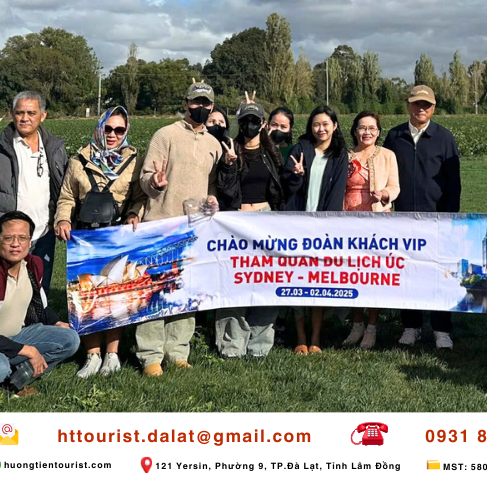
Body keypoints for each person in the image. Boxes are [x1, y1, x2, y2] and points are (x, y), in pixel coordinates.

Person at [130, 80, 224, 374]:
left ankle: (178, 350)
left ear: (212, 106)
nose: (200, 107)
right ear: (185, 104)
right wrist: (155, 182)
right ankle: (150, 355)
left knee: (186, 293)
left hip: (194, 228)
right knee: (156, 292)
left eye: (205, 103)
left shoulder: (213, 145)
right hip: (161, 224)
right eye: (195, 102)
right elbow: (146, 177)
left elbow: (211, 183)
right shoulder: (165, 135)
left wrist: (212, 198)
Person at [0, 211, 79, 408]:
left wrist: (56, 322)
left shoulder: (33, 265)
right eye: (8, 238)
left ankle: (12, 383)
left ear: (30, 241)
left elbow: (39, 303)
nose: (15, 244)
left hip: (16, 336)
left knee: (70, 338)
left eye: (22, 238)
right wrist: (29, 351)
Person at [53, 106, 139, 378]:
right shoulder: (79, 161)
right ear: (99, 128)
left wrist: (135, 214)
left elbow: (139, 197)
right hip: (85, 237)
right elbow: (67, 196)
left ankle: (112, 354)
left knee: (116, 294)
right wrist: (63, 219)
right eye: (108, 128)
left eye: (119, 130)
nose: (113, 134)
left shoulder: (134, 161)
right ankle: (92, 355)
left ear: (126, 132)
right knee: (87, 295)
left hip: (117, 236)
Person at [383, 84, 462, 349]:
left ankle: (441, 329)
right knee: (408, 272)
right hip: (404, 218)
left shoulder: (444, 137)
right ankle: (411, 326)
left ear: (433, 108)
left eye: (426, 105)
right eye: (416, 103)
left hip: (437, 218)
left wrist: (449, 217)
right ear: (408, 105)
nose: (421, 109)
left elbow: (454, 183)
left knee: (440, 274)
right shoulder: (394, 136)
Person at [209, 96, 287, 359]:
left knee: (266, 282)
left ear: (263, 124)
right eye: (245, 121)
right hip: (237, 221)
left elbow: (282, 187)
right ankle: (232, 344)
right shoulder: (229, 149)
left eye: (255, 121)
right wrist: (228, 166)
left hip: (266, 219)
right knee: (234, 282)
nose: (250, 126)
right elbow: (225, 191)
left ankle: (259, 344)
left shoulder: (271, 153)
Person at [0, 91, 68, 289]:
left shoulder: (55, 149)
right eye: (20, 112)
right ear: (12, 114)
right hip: (8, 239)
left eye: (31, 113)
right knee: (5, 294)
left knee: (39, 293)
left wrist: (59, 219)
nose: (25, 118)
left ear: (43, 116)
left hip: (42, 235)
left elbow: (64, 190)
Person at [283, 105, 351, 353]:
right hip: (297, 225)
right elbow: (288, 186)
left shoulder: (340, 155)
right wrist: (297, 175)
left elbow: (337, 192)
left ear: (335, 126)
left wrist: (327, 226)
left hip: (323, 228)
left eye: (325, 124)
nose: (320, 129)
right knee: (297, 280)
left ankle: (316, 338)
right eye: (315, 124)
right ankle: (300, 337)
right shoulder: (300, 149)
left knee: (318, 281)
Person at [341, 110, 400, 350]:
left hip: (377, 219)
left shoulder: (387, 155)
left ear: (378, 132)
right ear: (355, 131)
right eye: (362, 128)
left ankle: (372, 327)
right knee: (353, 273)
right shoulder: (344, 155)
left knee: (373, 274)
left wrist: (384, 194)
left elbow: (395, 186)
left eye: (372, 128)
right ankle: (356, 324)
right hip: (348, 219)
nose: (367, 132)